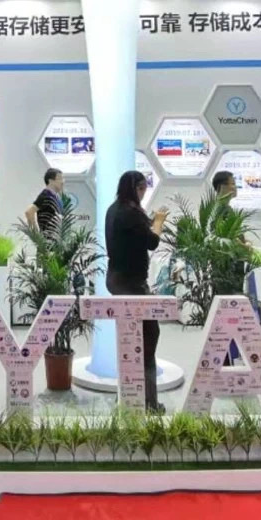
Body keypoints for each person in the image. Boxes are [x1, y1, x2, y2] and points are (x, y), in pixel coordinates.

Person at [105, 170, 170, 413]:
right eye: (142, 188)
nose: (144, 193)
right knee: (147, 340)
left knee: (131, 339)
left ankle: (127, 396)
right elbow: (152, 242)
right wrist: (159, 222)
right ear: (136, 188)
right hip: (132, 284)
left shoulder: (114, 209)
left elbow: (135, 235)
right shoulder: (131, 212)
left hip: (117, 279)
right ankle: (148, 403)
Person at [25, 168, 66, 233]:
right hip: (48, 237)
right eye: (60, 179)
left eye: (63, 179)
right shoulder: (46, 195)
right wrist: (36, 234)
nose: (62, 182)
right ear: (51, 181)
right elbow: (29, 212)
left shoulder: (56, 197)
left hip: (57, 237)